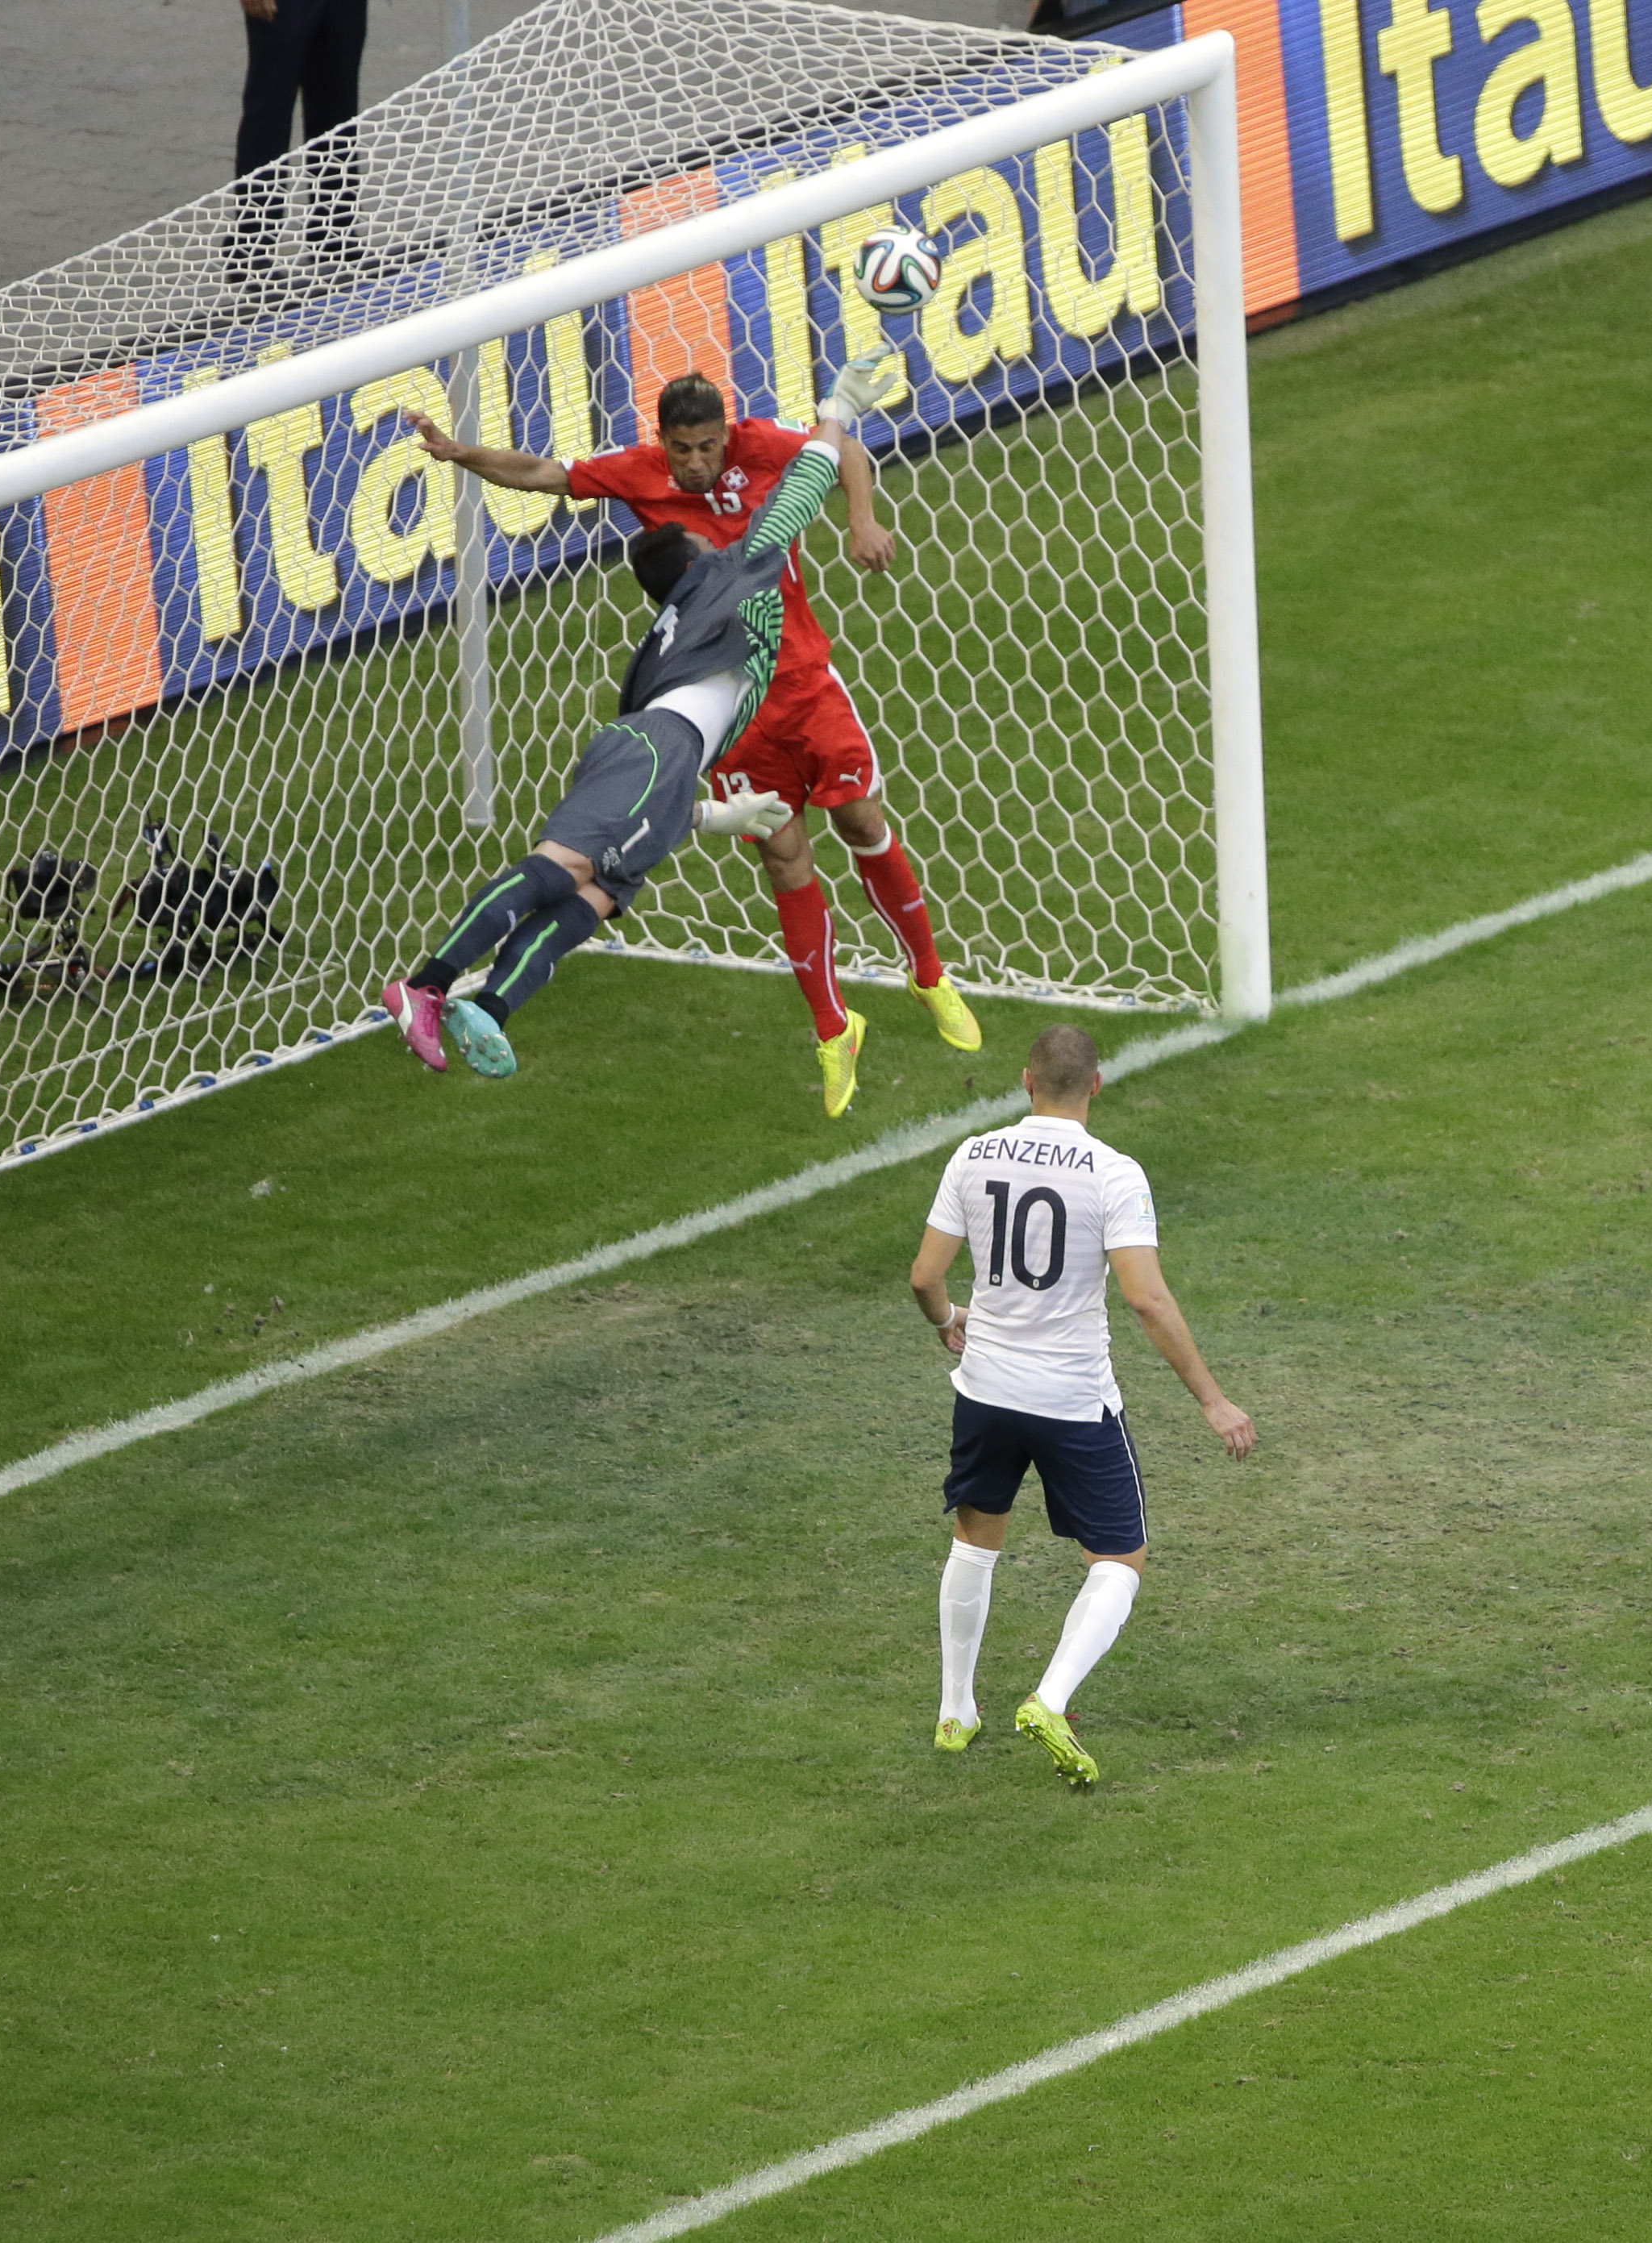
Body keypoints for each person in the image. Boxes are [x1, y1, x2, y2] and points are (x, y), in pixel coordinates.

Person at [411, 372, 977, 1118]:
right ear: (664, 443)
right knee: (784, 855)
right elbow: (545, 474)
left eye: (708, 447)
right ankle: (833, 1029)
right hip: (735, 724)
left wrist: (861, 521)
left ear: (725, 434)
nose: (697, 464)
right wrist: (461, 455)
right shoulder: (644, 480)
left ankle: (928, 973)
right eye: (682, 450)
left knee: (863, 821)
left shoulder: (762, 451)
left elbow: (836, 456)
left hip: (804, 682)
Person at [907, 1023, 1254, 1787]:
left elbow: (925, 1278)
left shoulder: (974, 1154)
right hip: (1070, 1398)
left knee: (975, 1540)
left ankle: (956, 1710)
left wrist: (947, 1325)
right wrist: (1213, 1399)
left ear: (1024, 1080)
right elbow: (1145, 1298)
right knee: (1120, 1560)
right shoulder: (1114, 1175)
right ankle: (1050, 1700)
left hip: (986, 1391)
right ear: (1096, 1085)